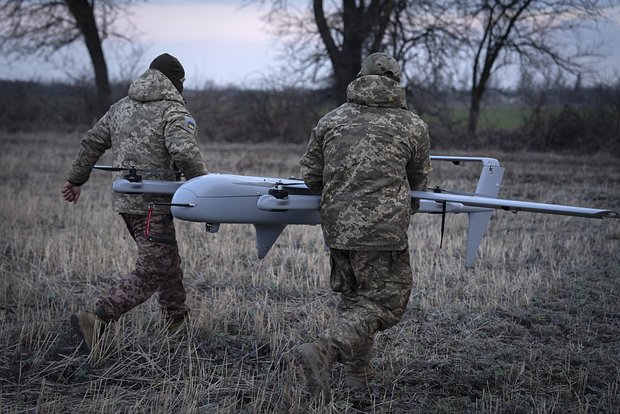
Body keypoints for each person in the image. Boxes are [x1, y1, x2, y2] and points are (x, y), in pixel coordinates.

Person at [297, 52, 431, 399]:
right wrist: (401, 210)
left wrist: (340, 202)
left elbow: (310, 177)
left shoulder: (331, 121)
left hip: (337, 228)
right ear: (396, 82)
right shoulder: (413, 125)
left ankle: (358, 376)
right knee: (386, 302)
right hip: (383, 230)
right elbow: (418, 183)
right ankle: (324, 350)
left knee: (355, 301)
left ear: (361, 77)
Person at [62, 53, 208, 351]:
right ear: (177, 81)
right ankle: (98, 318)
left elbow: (92, 141)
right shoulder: (173, 111)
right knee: (153, 269)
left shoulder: (121, 107)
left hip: (126, 203)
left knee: (166, 262)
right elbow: (185, 153)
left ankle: (177, 325)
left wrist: (76, 179)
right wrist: (205, 189)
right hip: (155, 204)